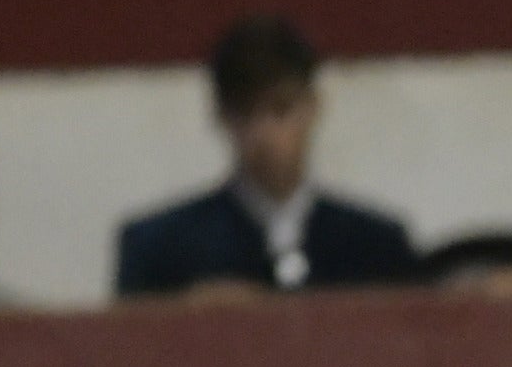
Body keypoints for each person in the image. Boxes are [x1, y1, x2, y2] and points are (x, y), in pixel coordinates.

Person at [115, 15, 420, 297]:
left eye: (280, 110)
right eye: (245, 113)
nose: (263, 134)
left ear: (312, 107)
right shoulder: (160, 250)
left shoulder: (376, 247)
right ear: (222, 116)